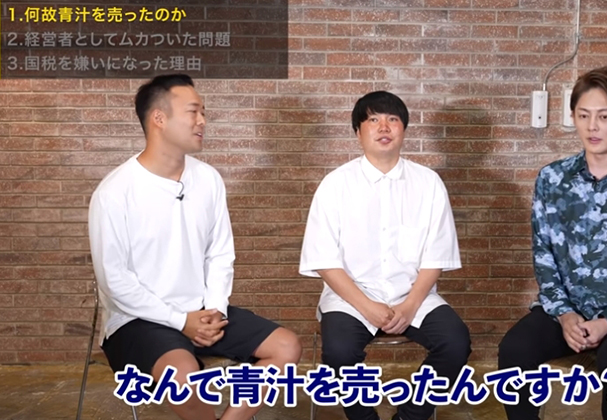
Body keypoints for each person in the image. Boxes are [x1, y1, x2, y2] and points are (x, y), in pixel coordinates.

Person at [88, 74, 301, 420]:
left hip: (201, 311)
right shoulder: (115, 192)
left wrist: (215, 308)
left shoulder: (208, 179)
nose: (202, 121)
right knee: (183, 379)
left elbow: (220, 254)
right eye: (193, 112)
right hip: (137, 320)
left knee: (286, 347)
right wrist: (179, 321)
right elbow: (114, 280)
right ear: (159, 118)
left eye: (203, 112)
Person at [498, 66, 607, 420]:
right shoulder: (552, 179)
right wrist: (565, 315)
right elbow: (544, 257)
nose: (592, 126)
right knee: (514, 351)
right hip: (565, 313)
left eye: (604, 116)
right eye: (583, 115)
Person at [299, 91, 471, 420]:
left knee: (455, 342)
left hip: (413, 294)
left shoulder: (428, 183)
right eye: (373, 120)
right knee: (338, 353)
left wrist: (410, 305)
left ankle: (409, 416)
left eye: (393, 119)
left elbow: (436, 254)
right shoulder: (335, 184)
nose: (384, 127)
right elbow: (323, 260)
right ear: (358, 132)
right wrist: (367, 307)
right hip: (351, 297)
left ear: (404, 129)